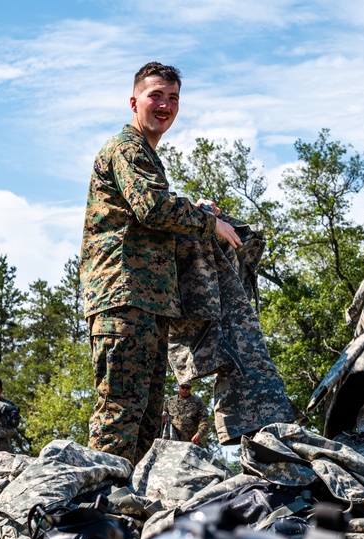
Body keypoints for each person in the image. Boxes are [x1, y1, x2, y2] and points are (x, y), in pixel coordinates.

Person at [80, 61, 242, 465]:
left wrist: (194, 210)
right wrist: (210, 223)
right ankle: (95, 508)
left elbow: (155, 209)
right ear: (134, 101)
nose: (165, 105)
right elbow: (152, 208)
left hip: (150, 304)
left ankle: (127, 513)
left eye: (173, 98)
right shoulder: (127, 148)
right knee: (119, 412)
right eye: (156, 96)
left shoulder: (146, 156)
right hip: (124, 298)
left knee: (148, 420)